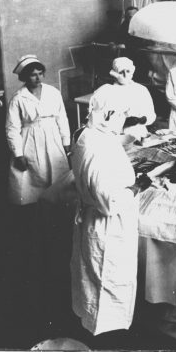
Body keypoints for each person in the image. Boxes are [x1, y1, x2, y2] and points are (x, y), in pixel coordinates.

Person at [71, 84, 151, 336]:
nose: (122, 120)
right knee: (108, 283)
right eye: (120, 115)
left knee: (96, 282)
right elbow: (109, 202)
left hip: (96, 221)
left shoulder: (88, 134)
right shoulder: (98, 148)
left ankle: (100, 329)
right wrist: (137, 186)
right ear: (108, 114)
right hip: (107, 226)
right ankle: (106, 340)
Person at [6, 55, 70, 206]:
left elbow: (62, 118)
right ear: (25, 77)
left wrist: (66, 142)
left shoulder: (53, 92)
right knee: (33, 178)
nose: (38, 78)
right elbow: (12, 128)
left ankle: (58, 207)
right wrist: (18, 154)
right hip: (30, 140)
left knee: (58, 174)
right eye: (33, 75)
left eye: (40, 73)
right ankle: (36, 211)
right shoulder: (19, 98)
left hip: (53, 137)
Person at [109, 57, 156, 140]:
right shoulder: (110, 92)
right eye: (121, 72)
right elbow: (103, 121)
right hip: (118, 135)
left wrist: (144, 119)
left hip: (140, 134)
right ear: (115, 74)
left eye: (127, 71)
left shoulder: (141, 89)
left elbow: (151, 115)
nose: (125, 75)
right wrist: (124, 121)